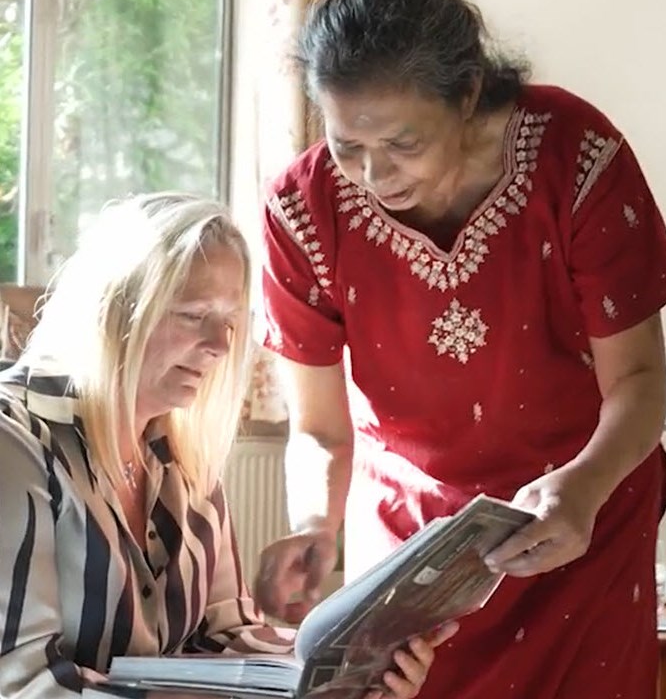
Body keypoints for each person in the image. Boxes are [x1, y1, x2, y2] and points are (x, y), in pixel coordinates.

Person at [254, 0, 666, 697]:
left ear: (468, 94)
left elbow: (640, 381)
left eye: (403, 143)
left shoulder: (576, 159)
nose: (372, 174)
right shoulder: (302, 210)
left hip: (578, 519)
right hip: (415, 553)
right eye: (347, 144)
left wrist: (583, 489)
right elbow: (321, 429)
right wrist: (313, 524)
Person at [0, 193, 450, 699]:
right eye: (193, 315)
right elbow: (19, 682)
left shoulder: (183, 460)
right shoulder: (15, 441)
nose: (219, 345)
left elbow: (223, 636)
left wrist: (352, 667)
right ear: (114, 309)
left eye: (231, 320)